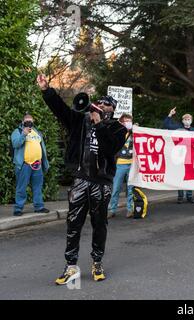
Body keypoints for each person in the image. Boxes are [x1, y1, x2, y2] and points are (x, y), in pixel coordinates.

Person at [37, 74, 127, 284]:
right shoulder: (80, 121)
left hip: (101, 183)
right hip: (80, 181)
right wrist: (46, 90)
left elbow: (110, 148)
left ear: (112, 110)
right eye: (100, 102)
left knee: (99, 225)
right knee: (73, 224)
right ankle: (70, 266)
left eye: (107, 104)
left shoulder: (118, 129)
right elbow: (61, 110)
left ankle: (97, 263)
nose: (102, 105)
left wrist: (99, 125)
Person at [10, 114, 50, 216]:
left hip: (37, 164)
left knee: (37, 187)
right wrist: (23, 134)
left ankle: (39, 207)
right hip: (24, 165)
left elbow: (42, 147)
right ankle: (18, 208)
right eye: (27, 121)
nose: (29, 123)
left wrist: (43, 161)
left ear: (33, 122)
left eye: (30, 121)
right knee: (21, 187)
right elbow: (15, 144)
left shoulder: (37, 132)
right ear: (23, 122)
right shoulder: (17, 131)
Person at [163, 107, 194, 204]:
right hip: (179, 156)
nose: (187, 121)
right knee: (180, 176)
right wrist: (170, 115)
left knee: (189, 176)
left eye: (189, 119)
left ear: (191, 120)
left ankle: (189, 196)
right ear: (182, 121)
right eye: (185, 119)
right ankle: (180, 196)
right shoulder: (178, 128)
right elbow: (166, 125)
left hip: (190, 156)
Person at [109, 114, 134, 218]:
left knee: (131, 189)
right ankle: (112, 210)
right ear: (122, 123)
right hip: (120, 164)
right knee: (115, 188)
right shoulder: (117, 134)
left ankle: (130, 209)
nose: (128, 123)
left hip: (132, 164)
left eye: (130, 121)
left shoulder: (135, 134)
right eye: (126, 121)